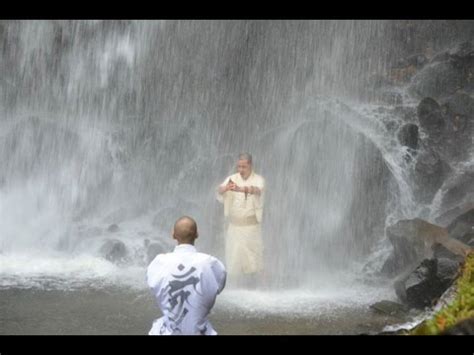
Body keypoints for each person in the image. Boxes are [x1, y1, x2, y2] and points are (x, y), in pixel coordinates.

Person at [146, 216, 226, 335]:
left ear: (173, 235)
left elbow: (152, 285)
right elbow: (218, 286)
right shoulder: (211, 264)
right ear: (197, 234)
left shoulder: (159, 263)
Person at [216, 153, 265, 288]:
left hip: (251, 227)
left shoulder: (258, 179)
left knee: (254, 260)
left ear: (250, 165)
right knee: (233, 259)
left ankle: (259, 289)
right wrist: (225, 188)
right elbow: (219, 190)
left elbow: (258, 190)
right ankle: (235, 288)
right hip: (234, 226)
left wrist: (240, 189)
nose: (241, 169)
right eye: (239, 166)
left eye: (244, 166)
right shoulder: (231, 178)